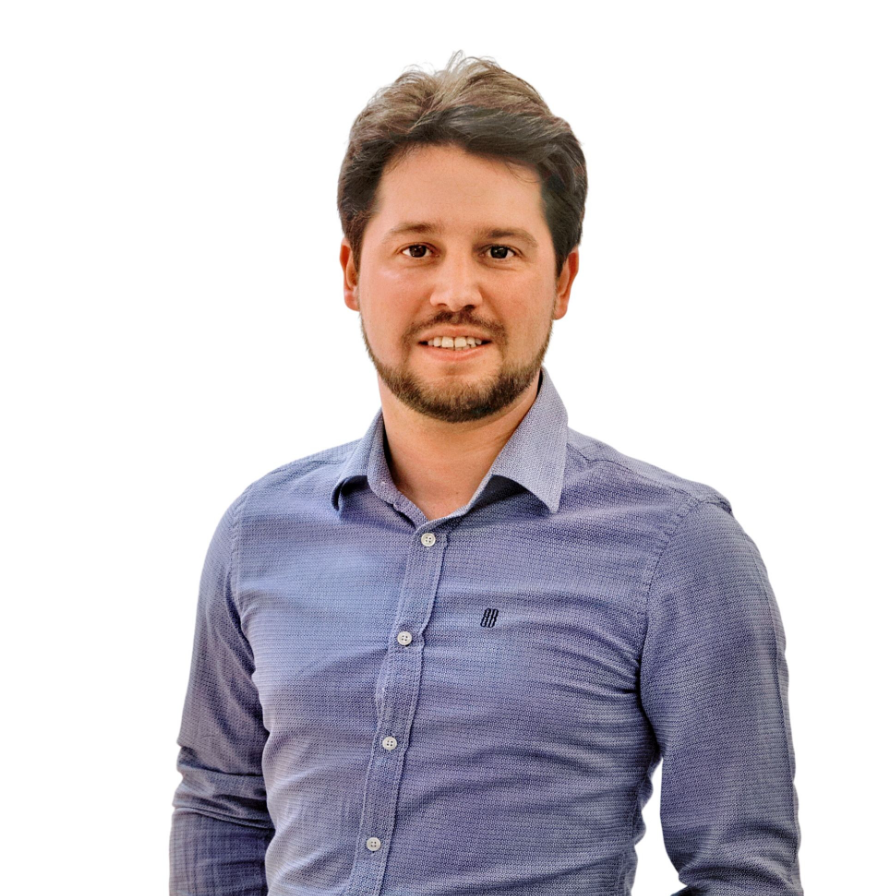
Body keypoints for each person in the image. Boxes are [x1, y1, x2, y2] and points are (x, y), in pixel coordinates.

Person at [169, 53, 803, 895]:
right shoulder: (259, 533)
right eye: (417, 249)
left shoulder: (681, 552)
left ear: (562, 281)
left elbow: (740, 875)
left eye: (499, 251)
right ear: (352, 273)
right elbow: (222, 808)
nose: (455, 291)